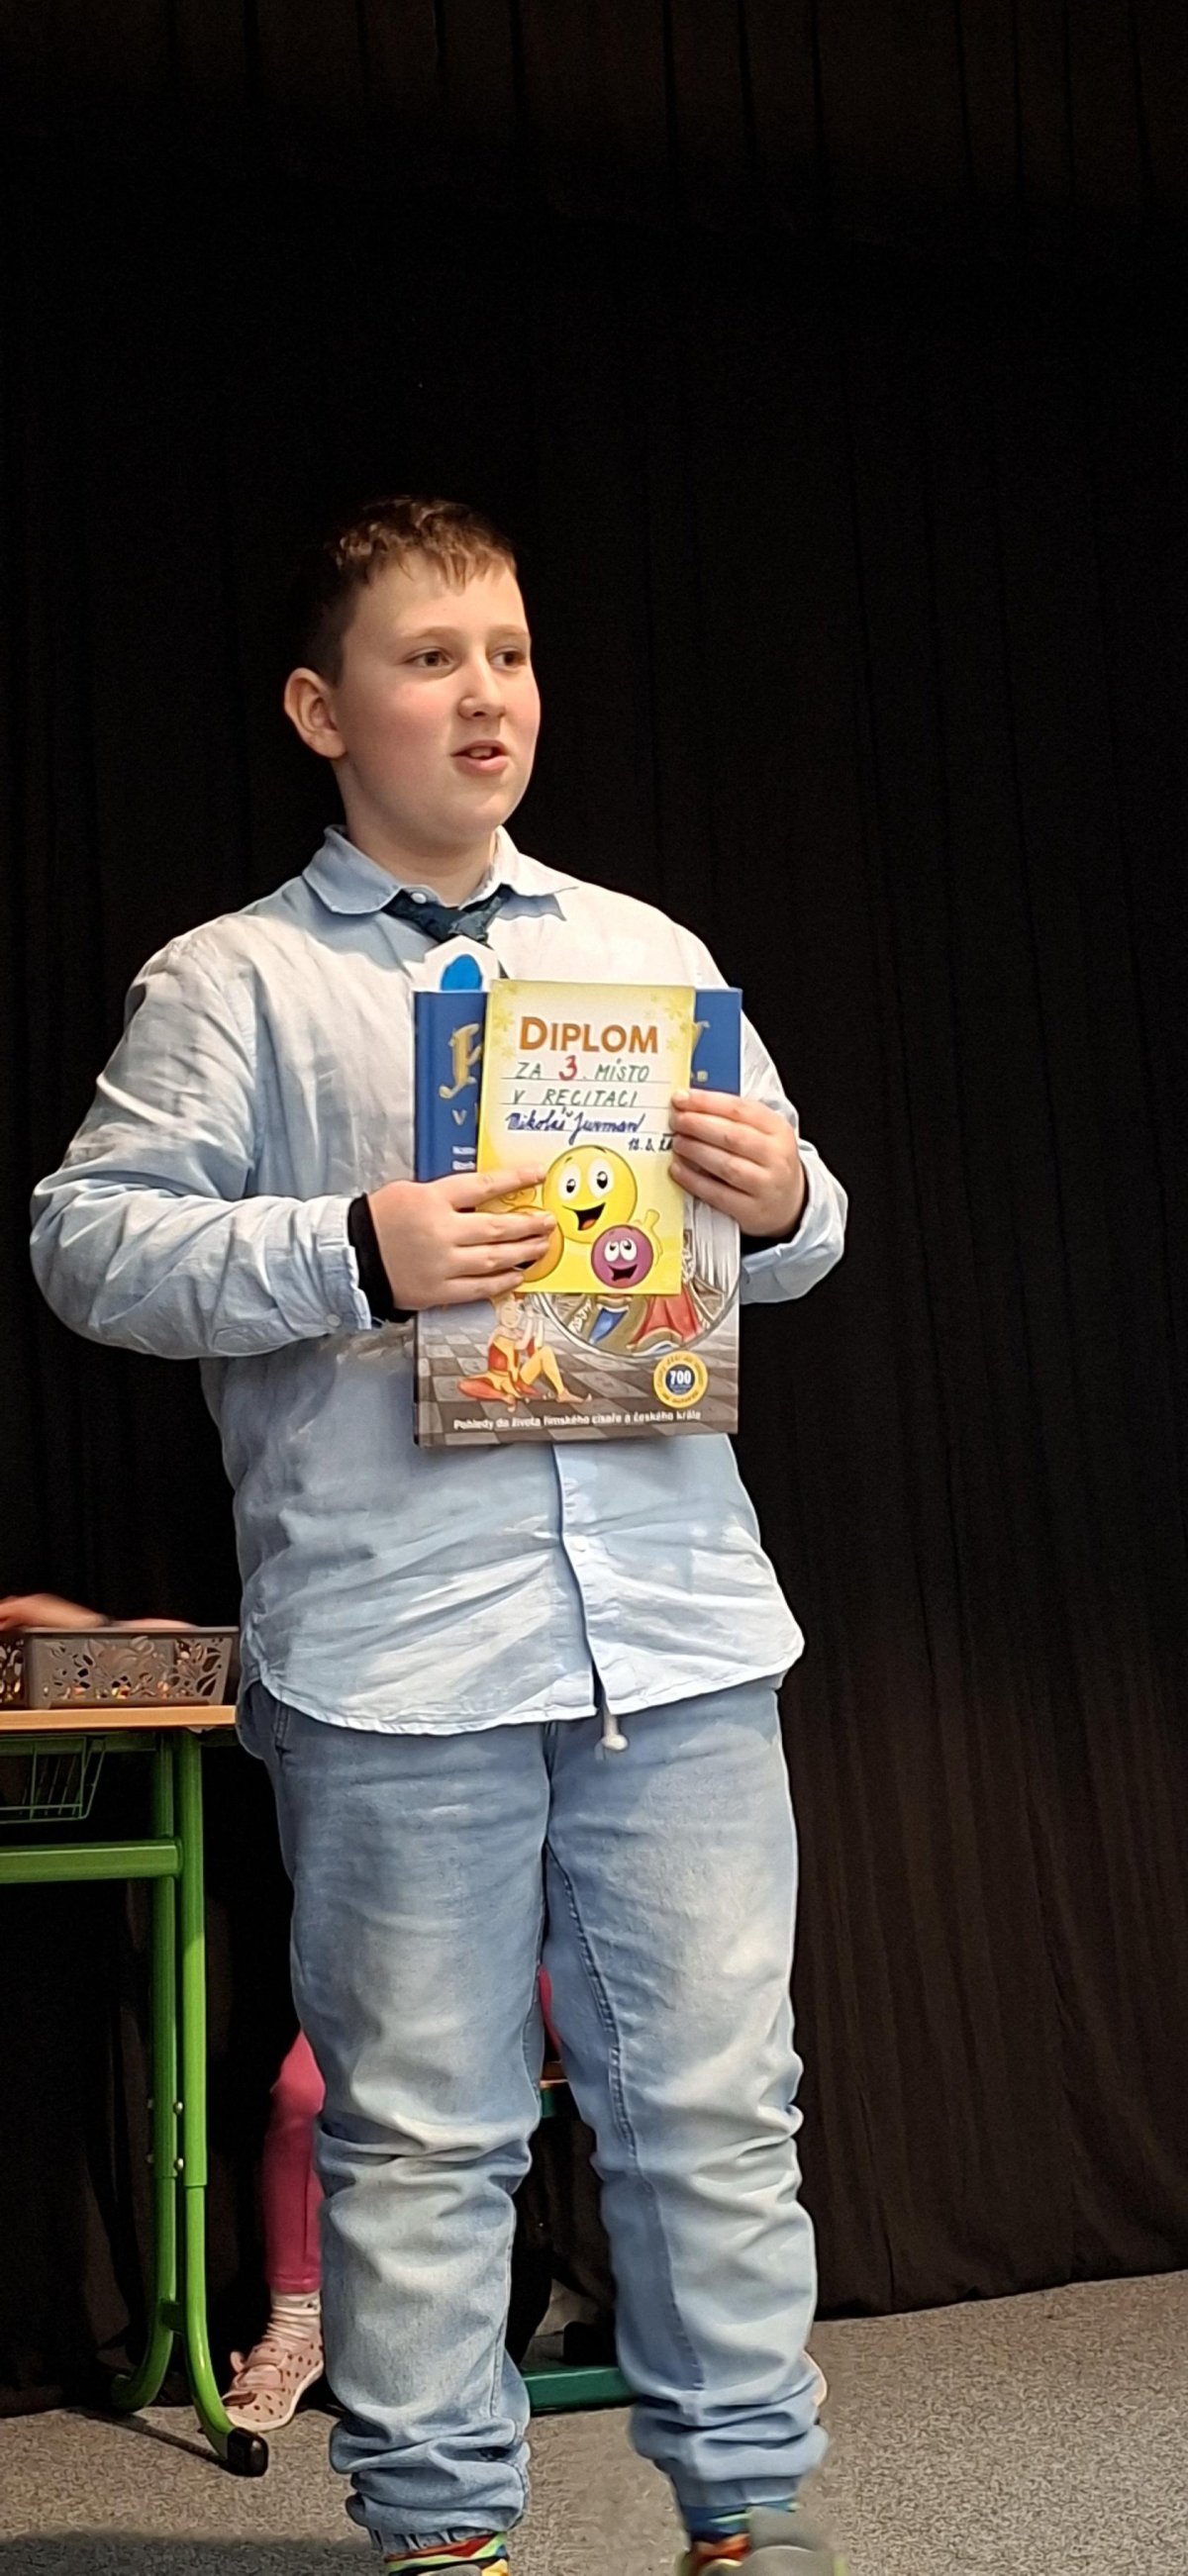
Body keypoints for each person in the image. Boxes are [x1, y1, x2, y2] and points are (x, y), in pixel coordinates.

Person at [30, 495, 848, 2576]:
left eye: (510, 653)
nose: (486, 695)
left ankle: (751, 2518)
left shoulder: (645, 954)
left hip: (676, 1626)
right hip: (401, 1649)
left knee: (716, 2110)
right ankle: (443, 2538)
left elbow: (797, 1232)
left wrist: (784, 1200)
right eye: (429, 658)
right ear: (324, 710)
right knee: (417, 2131)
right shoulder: (235, 982)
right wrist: (353, 1248)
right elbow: (87, 1244)